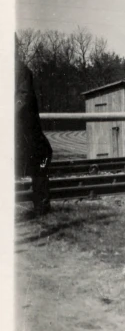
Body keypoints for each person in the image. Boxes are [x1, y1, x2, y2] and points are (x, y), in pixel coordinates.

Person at [15, 56, 52, 216]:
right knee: (43, 157)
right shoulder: (20, 69)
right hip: (22, 129)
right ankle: (41, 206)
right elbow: (23, 98)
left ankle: (41, 206)